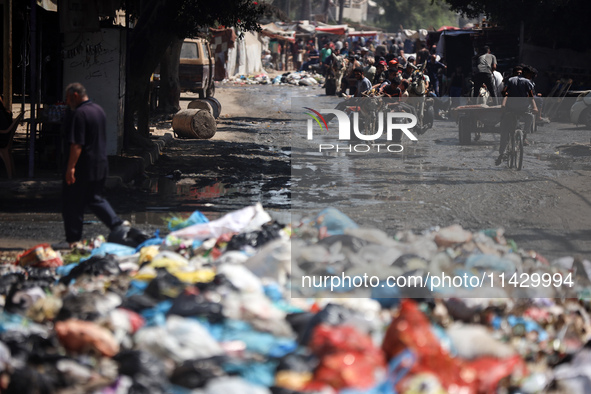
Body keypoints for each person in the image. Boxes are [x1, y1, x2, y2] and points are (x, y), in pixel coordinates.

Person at [53, 83, 126, 249]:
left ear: (75, 96)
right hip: (100, 164)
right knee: (94, 198)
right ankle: (118, 226)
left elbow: (76, 145)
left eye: (68, 98)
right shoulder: (98, 110)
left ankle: (73, 240)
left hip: (82, 166)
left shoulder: (79, 114)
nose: (67, 102)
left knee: (72, 203)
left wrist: (70, 168)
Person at [495, 66, 538, 165]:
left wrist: (504, 104)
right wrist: (535, 107)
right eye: (531, 75)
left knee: (504, 133)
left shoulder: (510, 80)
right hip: (522, 109)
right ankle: (524, 135)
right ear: (527, 74)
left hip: (510, 109)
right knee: (530, 117)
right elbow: (531, 97)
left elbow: (504, 92)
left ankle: (501, 154)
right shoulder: (528, 82)